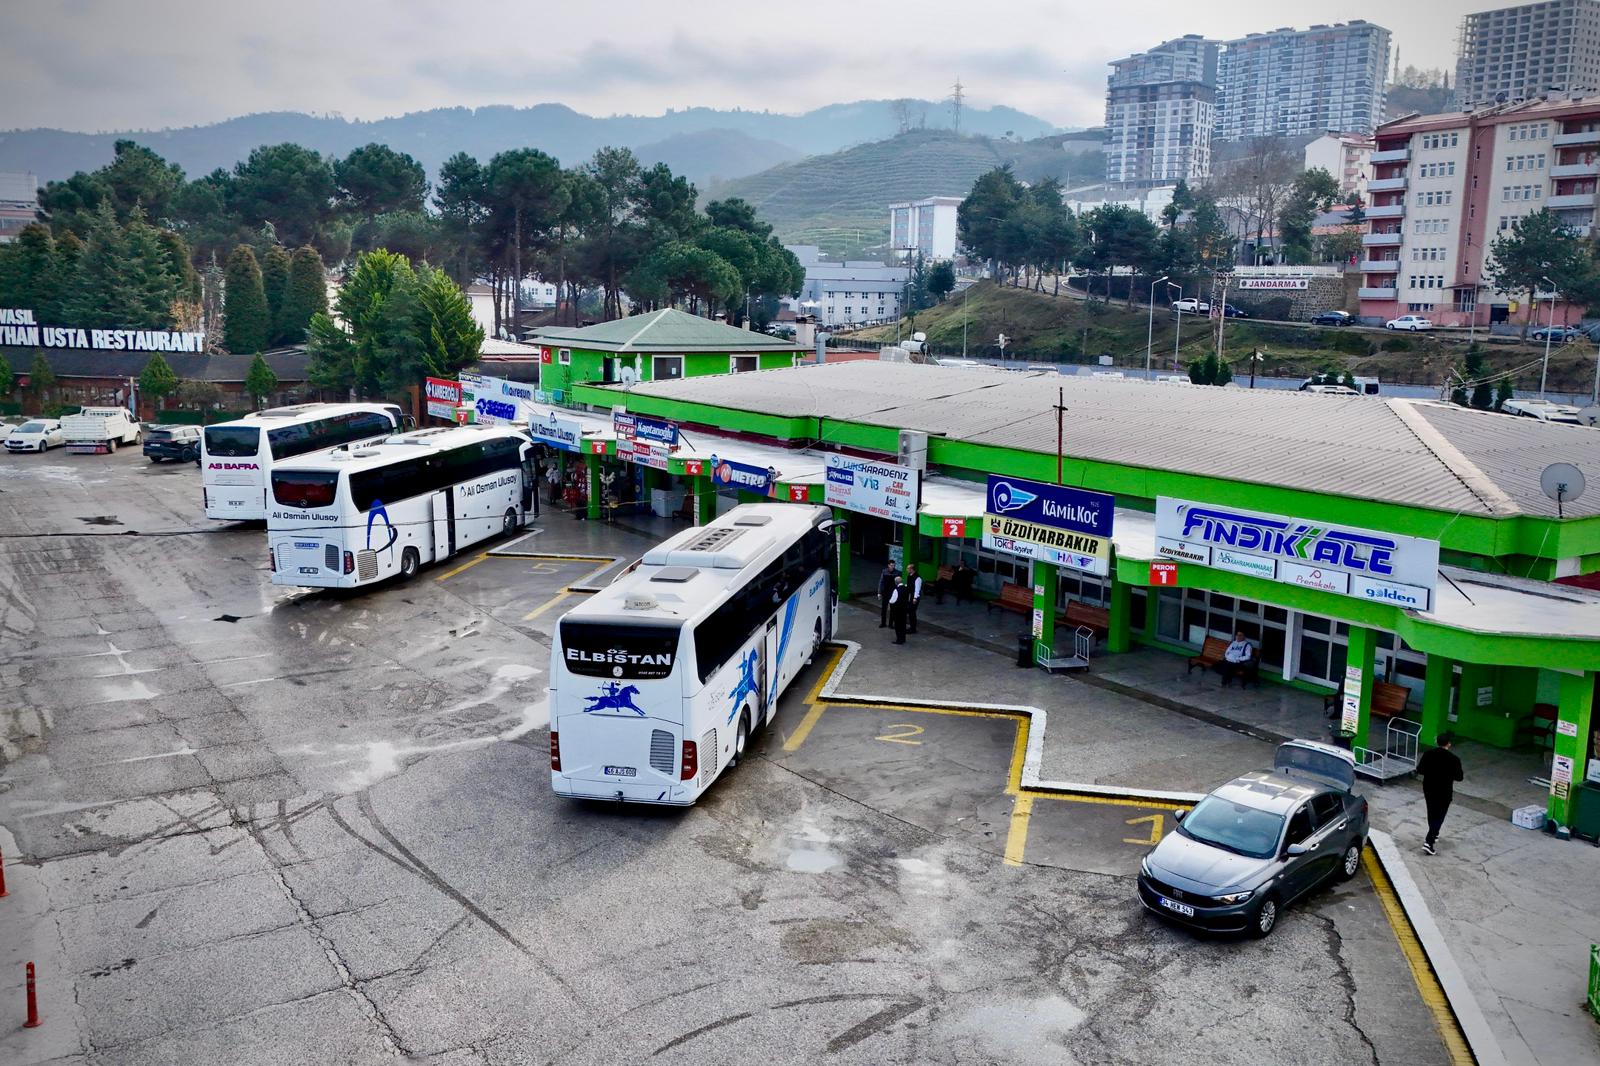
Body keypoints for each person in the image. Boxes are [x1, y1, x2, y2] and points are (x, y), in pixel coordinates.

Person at [1416, 732, 1464, 855]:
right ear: (1449, 744)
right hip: (1444, 790)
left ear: (1436, 742)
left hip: (1429, 787)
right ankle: (1429, 841)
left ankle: (1434, 833)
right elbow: (1459, 777)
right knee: (1440, 816)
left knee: (1431, 812)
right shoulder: (1454, 759)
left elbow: (1420, 770)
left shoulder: (1428, 754)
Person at [878, 560, 899, 628]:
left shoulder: (897, 572)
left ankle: (891, 624)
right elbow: (881, 582)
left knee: (893, 609)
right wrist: (879, 592)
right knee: (884, 608)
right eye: (891, 565)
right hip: (885, 592)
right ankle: (883, 623)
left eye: (894, 565)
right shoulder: (884, 571)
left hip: (893, 593)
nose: (893, 566)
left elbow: (898, 583)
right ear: (888, 565)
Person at [888, 576, 908, 644]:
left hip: (898, 610)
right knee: (903, 624)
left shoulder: (896, 590)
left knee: (898, 625)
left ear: (895, 582)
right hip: (904, 609)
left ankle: (899, 640)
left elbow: (892, 600)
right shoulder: (906, 588)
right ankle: (903, 638)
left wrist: (889, 601)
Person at [907, 569, 923, 634]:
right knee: (910, 612)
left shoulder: (918, 578)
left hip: (914, 597)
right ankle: (911, 627)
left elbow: (917, 589)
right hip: (910, 596)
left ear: (912, 570)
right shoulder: (909, 576)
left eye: (908, 569)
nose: (907, 570)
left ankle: (913, 629)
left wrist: (915, 598)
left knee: (912, 612)